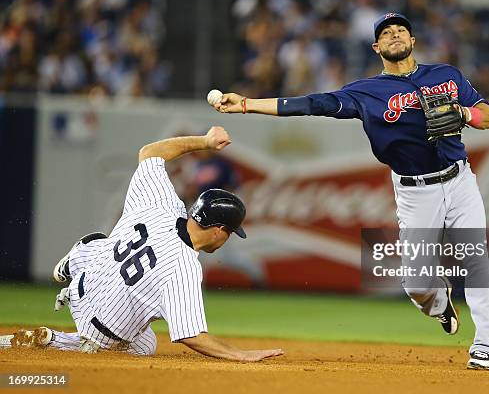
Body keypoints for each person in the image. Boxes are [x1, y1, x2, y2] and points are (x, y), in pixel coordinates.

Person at [213, 13, 489, 370]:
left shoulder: (447, 75)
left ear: (412, 41)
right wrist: (247, 104)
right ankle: (439, 305)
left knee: (476, 257)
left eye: (401, 30)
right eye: (386, 33)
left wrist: (464, 114)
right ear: (377, 46)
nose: (395, 35)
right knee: (416, 284)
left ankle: (485, 345)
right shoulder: (366, 93)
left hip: (459, 180)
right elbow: (312, 104)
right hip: (415, 191)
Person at [0, 126, 283, 362]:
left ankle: (77, 257)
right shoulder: (183, 268)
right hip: (100, 328)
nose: (229, 238)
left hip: (83, 287)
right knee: (144, 345)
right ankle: (59, 341)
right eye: (232, 232)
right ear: (219, 230)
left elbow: (149, 153)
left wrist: (205, 141)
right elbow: (191, 335)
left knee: (105, 243)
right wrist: (241, 355)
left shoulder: (162, 205)